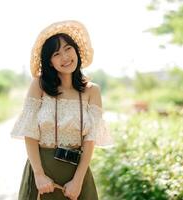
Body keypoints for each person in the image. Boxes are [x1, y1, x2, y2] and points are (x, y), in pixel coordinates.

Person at [10, 20, 114, 200]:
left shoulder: (92, 90)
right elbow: (30, 133)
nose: (65, 57)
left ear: (76, 51)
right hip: (43, 172)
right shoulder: (39, 85)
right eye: (56, 54)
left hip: (76, 172)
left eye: (68, 49)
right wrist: (39, 175)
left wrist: (78, 181)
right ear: (49, 62)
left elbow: (90, 140)